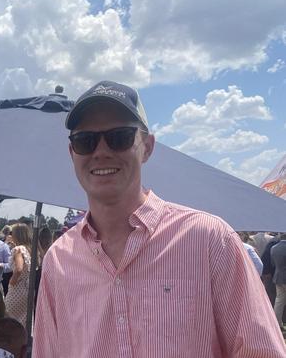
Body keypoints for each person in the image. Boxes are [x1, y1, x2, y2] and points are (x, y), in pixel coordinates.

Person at [33, 80, 286, 357]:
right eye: (85, 141)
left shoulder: (209, 240)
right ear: (72, 153)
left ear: (148, 147)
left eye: (119, 137)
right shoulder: (59, 260)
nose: (101, 151)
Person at [3, 223, 31, 327]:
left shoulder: (18, 249)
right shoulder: (28, 249)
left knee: (8, 319)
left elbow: (19, 269)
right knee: (23, 321)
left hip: (17, 289)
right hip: (26, 289)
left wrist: (12, 281)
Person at [270, 233, 286, 330]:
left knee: (279, 301)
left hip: (278, 276)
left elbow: (272, 263)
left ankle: (276, 323)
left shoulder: (274, 248)